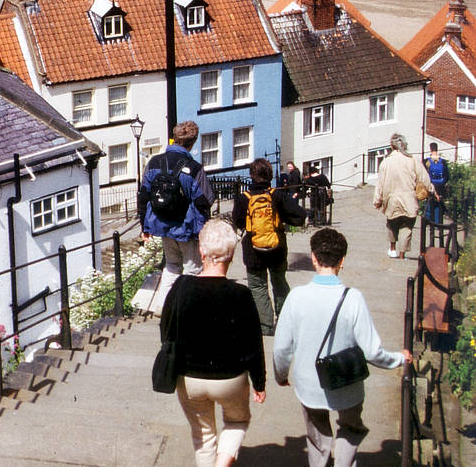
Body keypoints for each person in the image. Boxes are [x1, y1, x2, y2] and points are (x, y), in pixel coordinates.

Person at [273, 228, 413, 467]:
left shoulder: (296, 297)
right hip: (347, 384)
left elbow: (282, 348)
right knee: (351, 427)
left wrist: (281, 374)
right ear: (342, 261)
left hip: (310, 384)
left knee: (318, 436)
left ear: (314, 258)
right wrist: (399, 358)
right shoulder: (353, 298)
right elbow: (372, 352)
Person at [160, 219, 266, 467]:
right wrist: (259, 383)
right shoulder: (241, 294)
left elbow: (165, 330)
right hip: (231, 378)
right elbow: (253, 344)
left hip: (189, 378)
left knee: (203, 436)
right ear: (231, 255)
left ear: (202, 251)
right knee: (237, 421)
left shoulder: (181, 287)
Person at [138, 120, 215, 308]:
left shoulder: (154, 162)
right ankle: (188, 310)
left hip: (162, 225)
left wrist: (144, 227)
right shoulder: (194, 168)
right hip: (186, 228)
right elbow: (205, 200)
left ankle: (163, 308)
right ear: (193, 142)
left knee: (171, 266)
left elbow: (143, 195)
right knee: (192, 269)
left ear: (174, 138)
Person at [232, 158, 306, 336]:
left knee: (258, 287)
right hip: (277, 247)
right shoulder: (277, 195)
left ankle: (265, 325)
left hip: (253, 250)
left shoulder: (244, 198)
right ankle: (285, 319)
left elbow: (238, 221)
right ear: (270, 176)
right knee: (279, 282)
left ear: (251, 175)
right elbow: (299, 216)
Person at [373, 133, 431, 258]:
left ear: (391, 146)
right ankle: (402, 254)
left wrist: (377, 200)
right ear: (404, 145)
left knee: (392, 223)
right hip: (409, 199)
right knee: (407, 226)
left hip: (391, 199)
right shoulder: (412, 160)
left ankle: (392, 248)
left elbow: (380, 185)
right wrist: (432, 191)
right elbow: (424, 178)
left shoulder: (385, 163)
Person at [424, 142, 449, 224]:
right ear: (437, 149)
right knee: (438, 203)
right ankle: (438, 222)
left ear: (430, 149)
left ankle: (430, 221)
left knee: (429, 202)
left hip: (431, 184)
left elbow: (424, 175)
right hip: (440, 185)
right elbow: (447, 176)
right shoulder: (443, 162)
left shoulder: (427, 161)